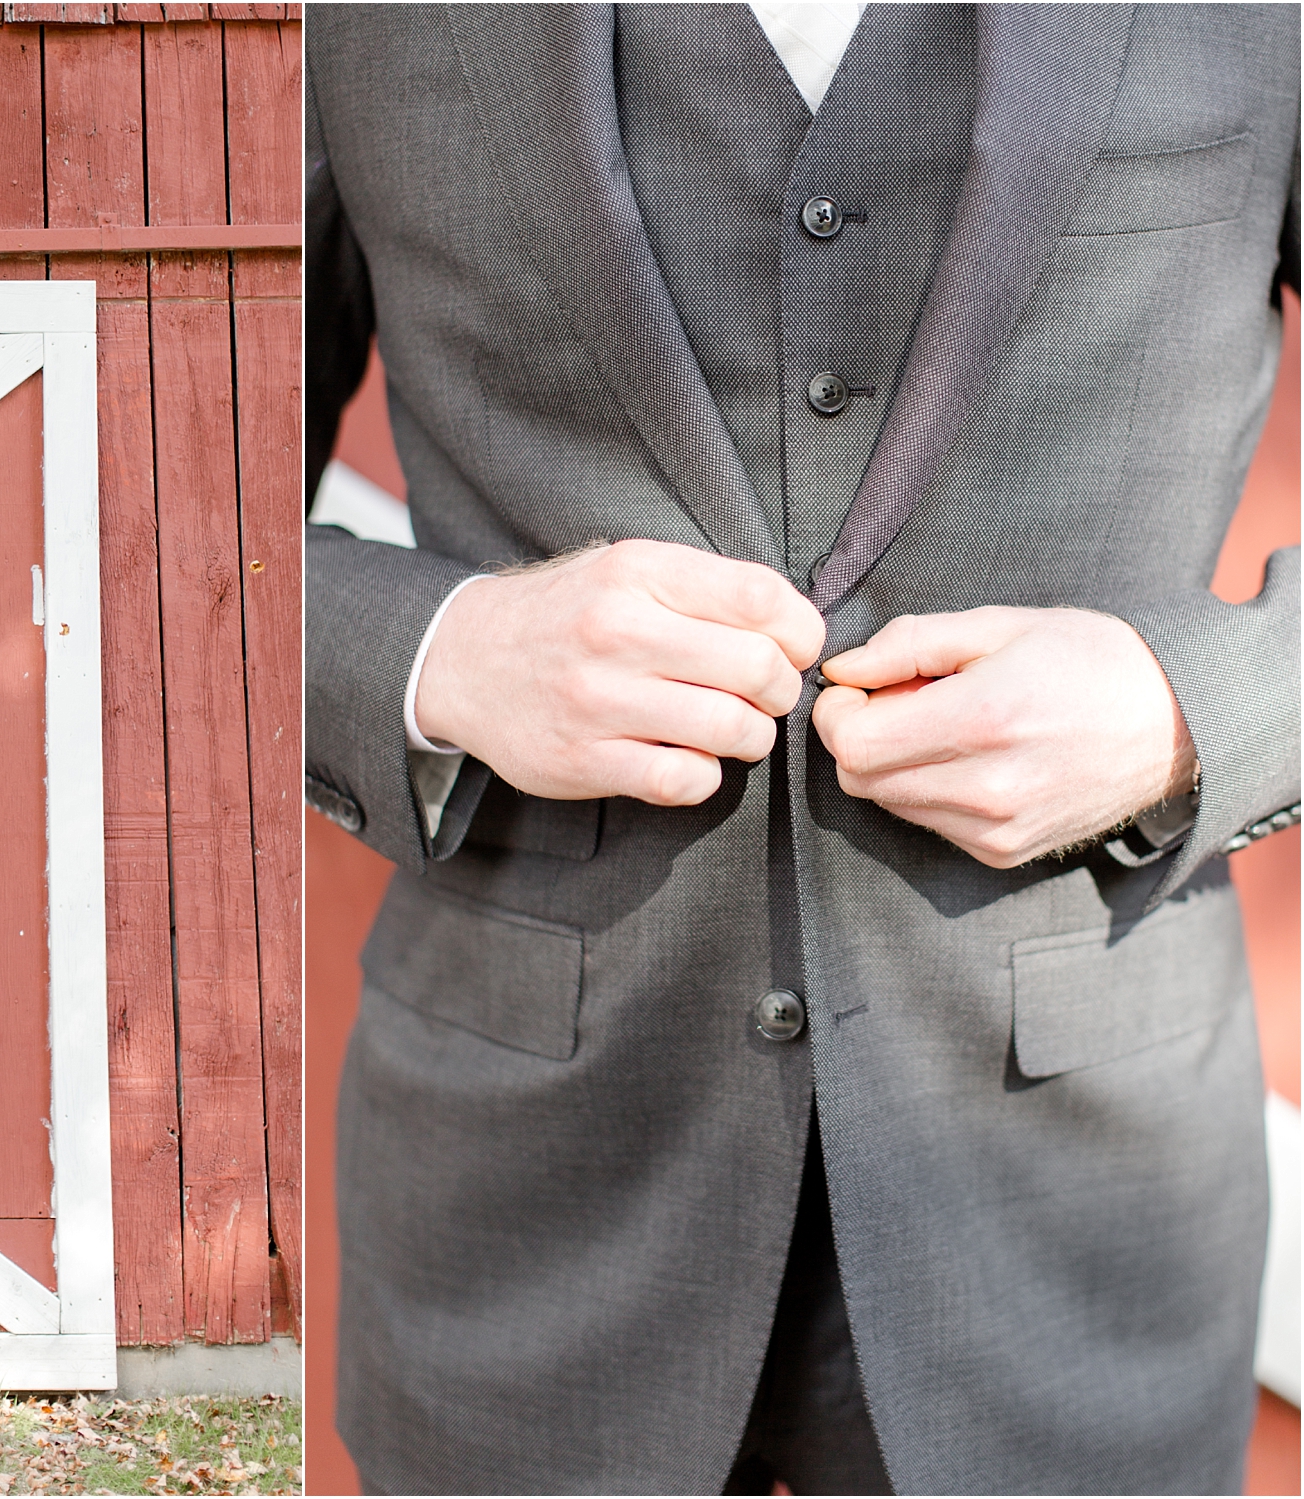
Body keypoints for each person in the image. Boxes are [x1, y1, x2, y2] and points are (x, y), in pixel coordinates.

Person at [305, 4, 1300, 1493]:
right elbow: (158, 513)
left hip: (1080, 1246)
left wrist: (1184, 706)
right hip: (522, 1248)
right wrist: (448, 655)